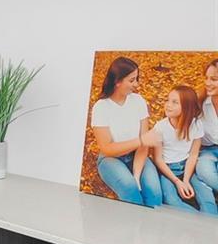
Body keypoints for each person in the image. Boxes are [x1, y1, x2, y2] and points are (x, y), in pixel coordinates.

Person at [90, 56, 161, 206]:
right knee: (130, 190)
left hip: (138, 155)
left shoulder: (138, 101)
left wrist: (136, 175)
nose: (136, 84)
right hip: (111, 159)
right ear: (117, 82)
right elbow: (107, 148)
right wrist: (141, 140)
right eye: (132, 80)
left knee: (154, 193)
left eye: (137, 78)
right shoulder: (101, 107)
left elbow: (144, 144)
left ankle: (152, 228)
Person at [142, 85, 217, 215]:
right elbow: (158, 159)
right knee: (171, 201)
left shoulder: (196, 125)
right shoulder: (160, 128)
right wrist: (177, 182)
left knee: (207, 199)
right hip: (167, 171)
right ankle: (199, 222)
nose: (168, 105)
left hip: (188, 167)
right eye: (168, 100)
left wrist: (186, 180)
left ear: (187, 107)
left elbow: (193, 155)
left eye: (175, 102)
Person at [195, 58, 218, 198]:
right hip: (207, 150)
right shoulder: (200, 102)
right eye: (207, 78)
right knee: (205, 172)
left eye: (214, 79)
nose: (208, 83)